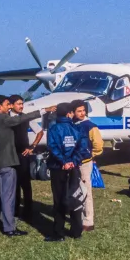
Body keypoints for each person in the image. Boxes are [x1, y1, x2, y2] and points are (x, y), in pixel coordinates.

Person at [0, 95, 53, 236]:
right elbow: (23, 118)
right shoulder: (5, 120)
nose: (10, 107)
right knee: (8, 196)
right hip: (8, 163)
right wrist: (44, 110)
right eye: (8, 104)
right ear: (0, 106)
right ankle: (9, 228)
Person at [46, 103, 88, 242]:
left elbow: (53, 147)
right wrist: (73, 162)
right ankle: (76, 231)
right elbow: (82, 148)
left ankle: (59, 233)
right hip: (74, 168)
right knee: (75, 196)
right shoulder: (77, 128)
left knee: (59, 200)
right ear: (69, 113)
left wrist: (63, 161)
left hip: (58, 168)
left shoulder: (53, 129)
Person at [8, 95, 44, 220]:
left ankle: (28, 211)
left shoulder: (25, 118)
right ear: (11, 105)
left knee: (25, 183)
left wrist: (32, 146)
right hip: (9, 155)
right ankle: (15, 210)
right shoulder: (5, 118)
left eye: (22, 103)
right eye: (18, 104)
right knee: (13, 184)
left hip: (23, 155)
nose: (21, 106)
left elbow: (40, 132)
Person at [71, 99, 104, 232]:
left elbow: (98, 145)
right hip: (73, 162)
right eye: (79, 111)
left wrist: (90, 155)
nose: (82, 113)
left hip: (85, 163)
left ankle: (88, 220)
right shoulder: (72, 124)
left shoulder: (91, 126)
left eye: (83, 110)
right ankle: (76, 215)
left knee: (86, 190)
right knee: (75, 190)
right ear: (73, 112)